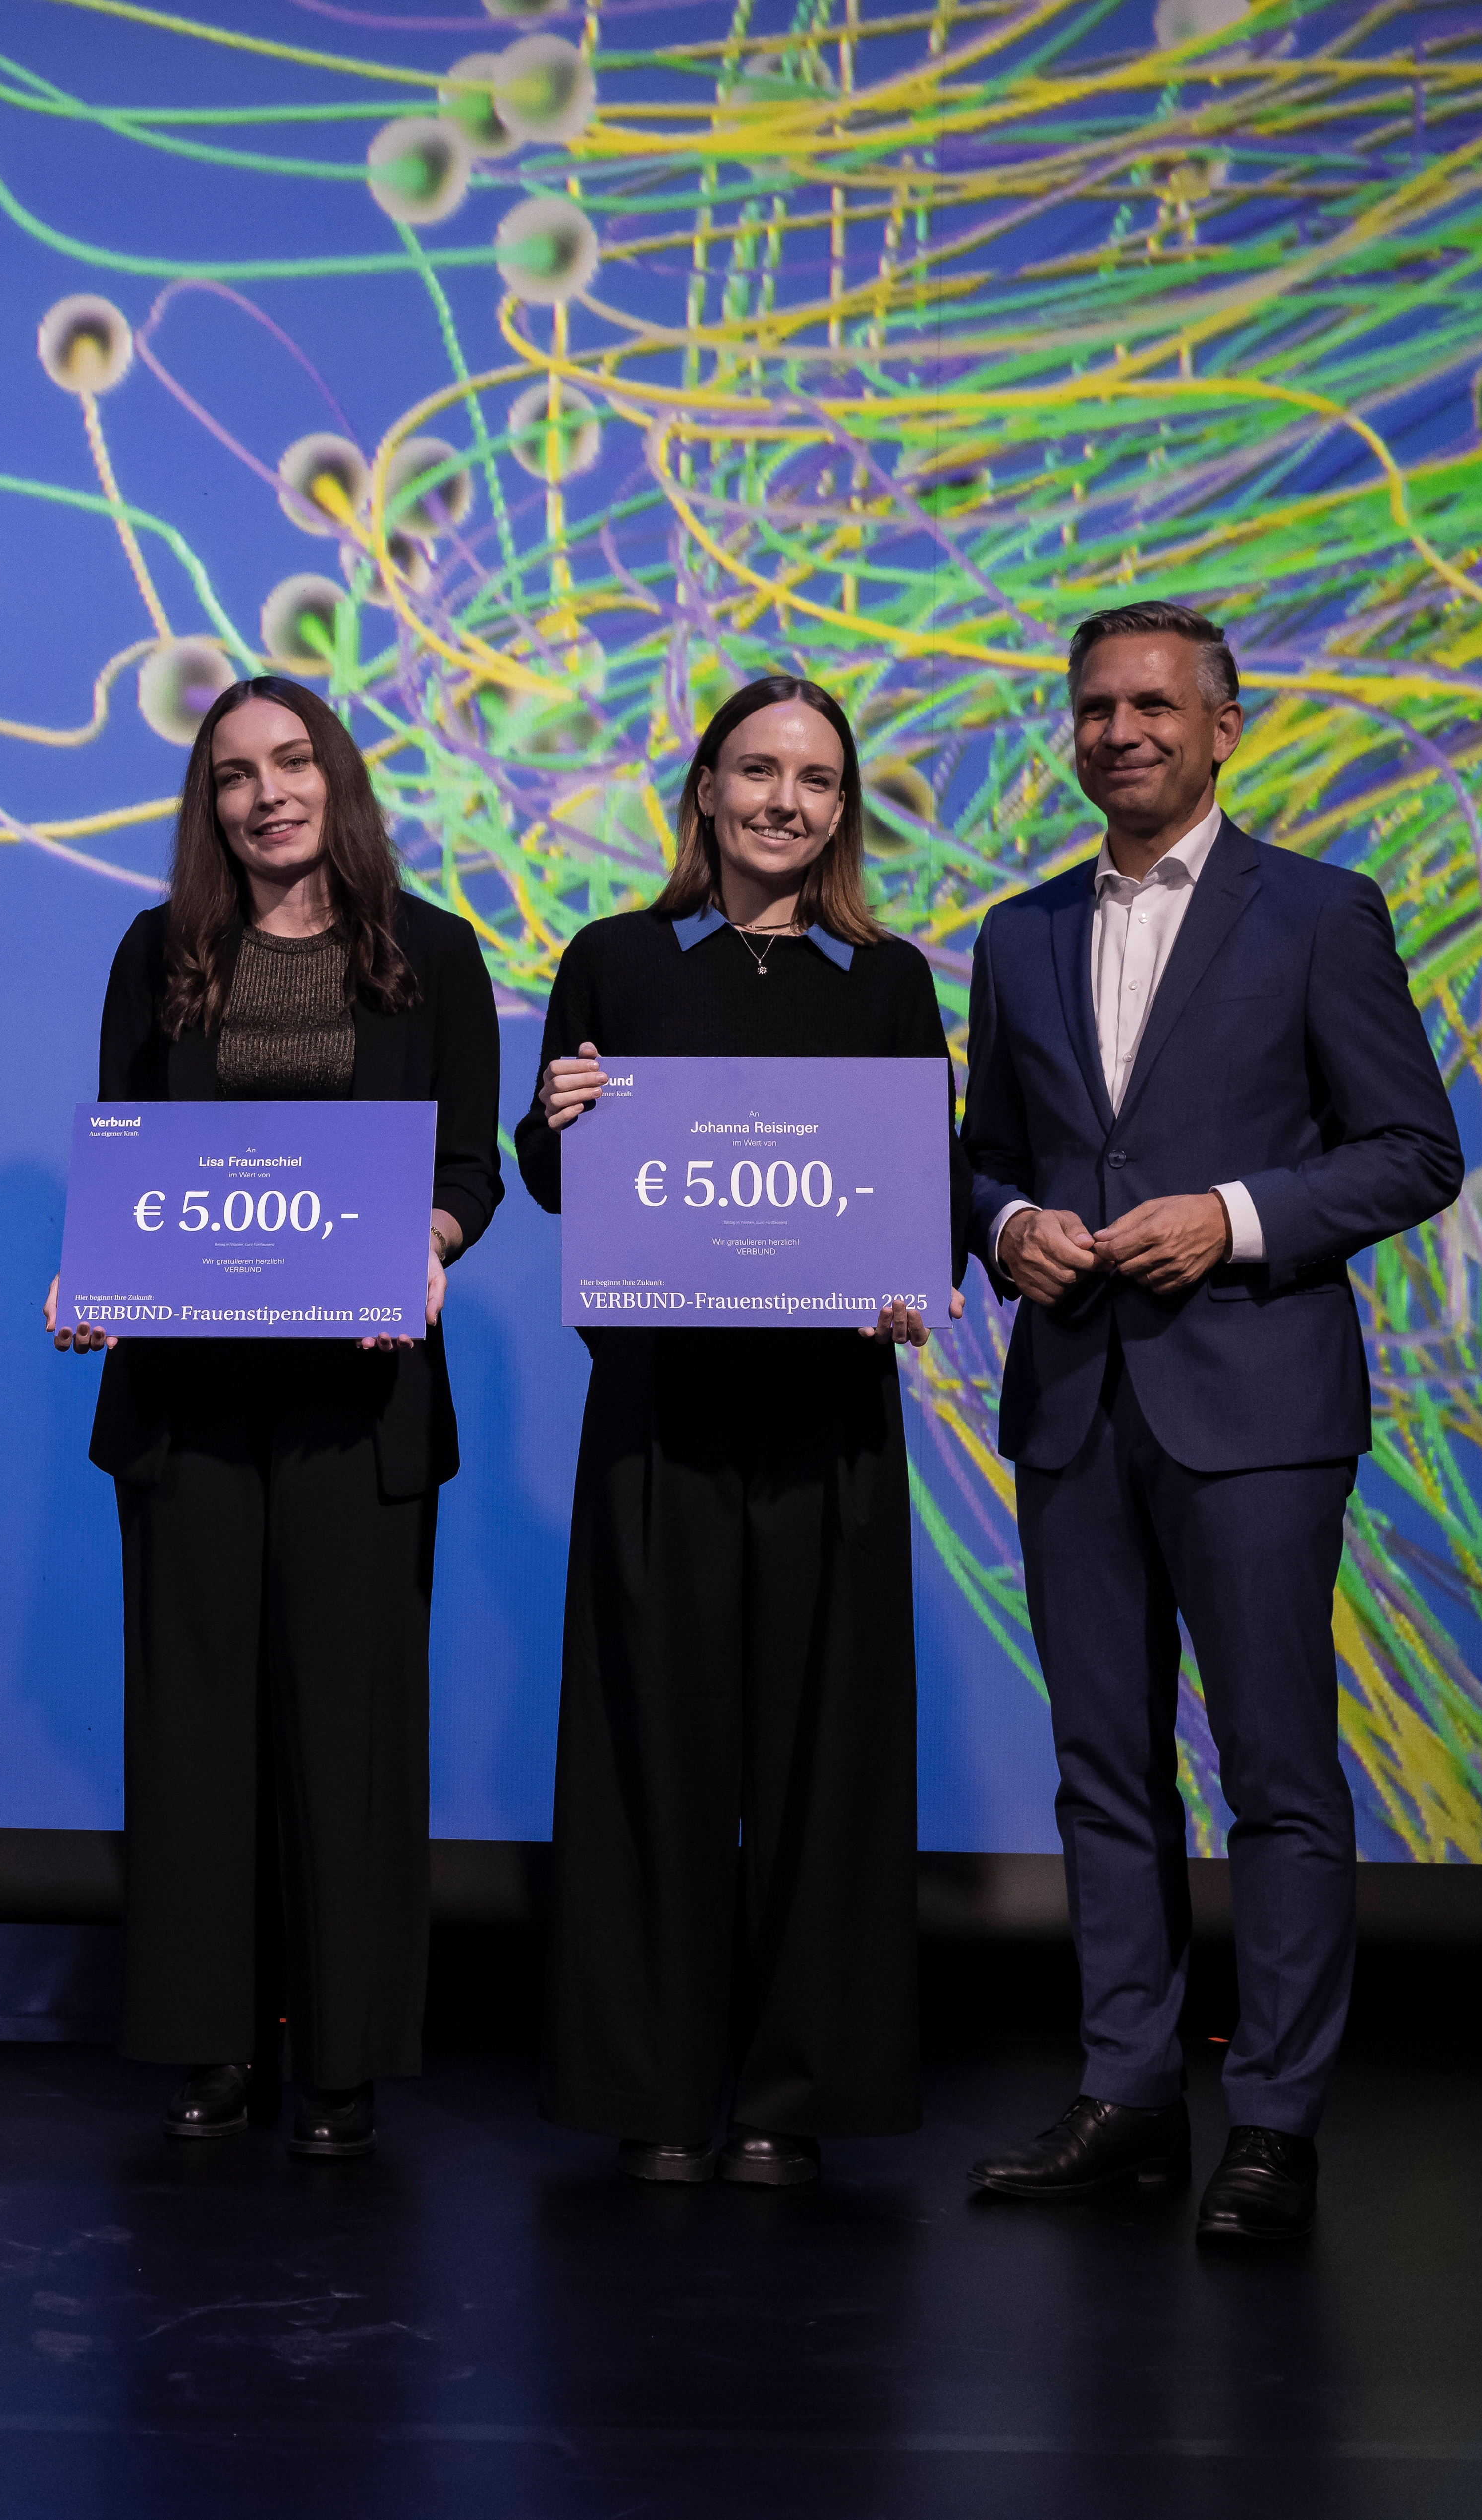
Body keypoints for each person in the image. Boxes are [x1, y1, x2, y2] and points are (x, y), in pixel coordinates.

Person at [960, 601, 1461, 2241]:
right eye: (1095, 706)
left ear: (1223, 726)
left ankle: (1274, 2127)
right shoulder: (1020, 931)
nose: (1120, 730)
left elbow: (1411, 1148)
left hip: (1253, 1405)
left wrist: (1235, 1216)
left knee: (1277, 1775)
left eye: (1153, 706)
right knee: (1102, 1774)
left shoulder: (1317, 913)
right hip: (1075, 1400)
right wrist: (1001, 1223)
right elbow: (984, 1153)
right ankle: (1127, 2096)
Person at [519, 673, 968, 2188]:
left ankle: (793, 2093)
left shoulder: (886, 978)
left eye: (817, 780)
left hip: (829, 1425)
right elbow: (558, 1177)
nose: (786, 800)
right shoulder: (615, 959)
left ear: (842, 810)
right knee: (649, 1753)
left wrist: (914, 1280)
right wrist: (558, 1119)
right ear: (704, 786)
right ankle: (652, 2088)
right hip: (656, 1418)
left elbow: (923, 1196)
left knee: (821, 1764)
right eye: (758, 770)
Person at [47, 675, 501, 2163]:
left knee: (351, 1737)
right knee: (193, 1730)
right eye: (233, 773)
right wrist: (92, 1274)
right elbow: (121, 1143)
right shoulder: (159, 949)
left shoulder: (432, 953)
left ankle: (345, 2055)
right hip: (186, 1398)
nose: (266, 793)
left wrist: (422, 1245)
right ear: (210, 805)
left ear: (336, 778)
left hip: (357, 1401)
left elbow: (468, 1168)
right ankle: (212, 2042)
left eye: (291, 760)